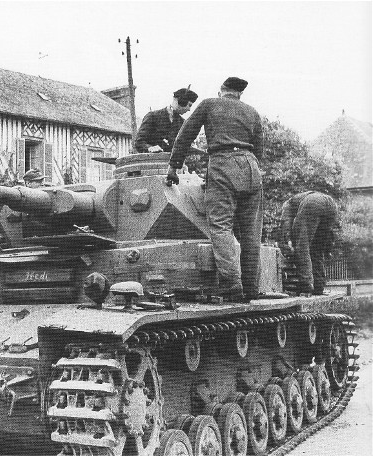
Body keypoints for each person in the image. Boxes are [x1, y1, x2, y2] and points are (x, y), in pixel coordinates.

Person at [167, 77, 264, 302]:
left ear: (221, 91)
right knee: (251, 233)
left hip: (222, 164)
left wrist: (173, 166)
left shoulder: (209, 104)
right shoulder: (252, 112)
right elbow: (259, 150)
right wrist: (249, 168)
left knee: (221, 226)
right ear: (239, 94)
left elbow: (185, 135)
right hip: (251, 167)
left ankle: (232, 285)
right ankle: (251, 288)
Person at [280, 191, 339, 295]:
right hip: (331, 205)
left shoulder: (287, 205)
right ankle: (318, 286)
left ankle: (306, 286)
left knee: (302, 248)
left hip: (313, 202)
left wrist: (289, 241)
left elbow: (286, 223)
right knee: (316, 250)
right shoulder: (299, 200)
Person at [133, 87, 198, 154]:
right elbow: (139, 142)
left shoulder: (183, 123)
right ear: (180, 101)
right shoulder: (152, 116)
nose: (189, 109)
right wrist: (150, 148)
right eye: (189, 105)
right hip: (152, 159)